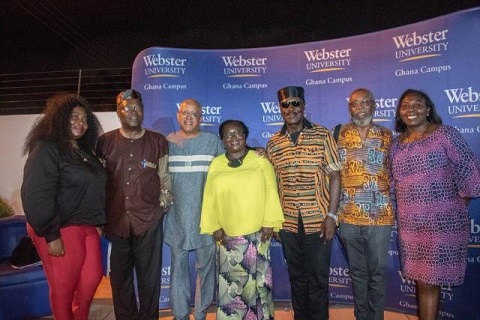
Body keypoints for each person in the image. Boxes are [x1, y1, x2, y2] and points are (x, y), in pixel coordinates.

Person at [389, 89, 480, 320]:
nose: (412, 110)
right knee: (422, 281)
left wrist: (455, 206)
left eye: (418, 104)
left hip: (442, 224)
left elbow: (469, 171)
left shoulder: (445, 134)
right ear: (399, 113)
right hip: (411, 225)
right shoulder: (396, 145)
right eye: (405, 106)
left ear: (428, 109)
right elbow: (392, 182)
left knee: (429, 281)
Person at [21, 93, 106, 320]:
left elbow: (93, 189)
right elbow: (36, 193)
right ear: (58, 119)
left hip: (86, 226)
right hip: (59, 227)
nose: (81, 122)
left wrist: (97, 221)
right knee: (63, 287)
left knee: (92, 279)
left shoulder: (84, 152)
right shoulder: (46, 148)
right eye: (73, 117)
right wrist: (51, 233)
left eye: (84, 118)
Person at [96, 89, 173, 320]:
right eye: (127, 107)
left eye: (138, 107)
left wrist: (161, 208)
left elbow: (165, 177)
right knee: (120, 279)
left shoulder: (157, 141)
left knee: (150, 279)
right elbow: (98, 181)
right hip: (115, 220)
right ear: (118, 112)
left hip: (148, 222)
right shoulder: (104, 142)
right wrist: (99, 216)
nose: (133, 111)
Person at [266, 86, 341, 320]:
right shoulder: (274, 143)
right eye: (285, 105)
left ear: (304, 105)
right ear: (280, 109)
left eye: (295, 103)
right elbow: (271, 185)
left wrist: (331, 216)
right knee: (297, 277)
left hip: (318, 220)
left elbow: (336, 175)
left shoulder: (322, 135)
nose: (291, 108)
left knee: (318, 278)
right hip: (287, 222)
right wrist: (274, 221)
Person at [200, 120, 285, 320]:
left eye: (238, 133)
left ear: (245, 135)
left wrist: (269, 223)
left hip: (258, 234)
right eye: (228, 134)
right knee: (233, 287)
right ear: (222, 140)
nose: (234, 138)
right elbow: (209, 196)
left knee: (259, 286)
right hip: (228, 237)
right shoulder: (216, 164)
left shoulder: (260, 160)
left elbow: (271, 191)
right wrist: (214, 225)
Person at [335, 88, 394, 320]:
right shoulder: (337, 134)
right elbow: (330, 173)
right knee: (357, 273)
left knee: (377, 274)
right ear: (349, 108)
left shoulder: (388, 136)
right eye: (355, 104)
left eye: (365, 103)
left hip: (380, 216)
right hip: (348, 215)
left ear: (374, 105)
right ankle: (361, 316)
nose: (360, 108)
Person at [164, 99, 224, 320]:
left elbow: (228, 172)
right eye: (184, 113)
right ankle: (180, 315)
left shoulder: (213, 142)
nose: (189, 117)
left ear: (202, 118)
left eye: (194, 114)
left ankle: (200, 314)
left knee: (206, 271)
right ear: (178, 116)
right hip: (177, 219)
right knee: (178, 271)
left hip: (207, 219)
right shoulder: (167, 142)